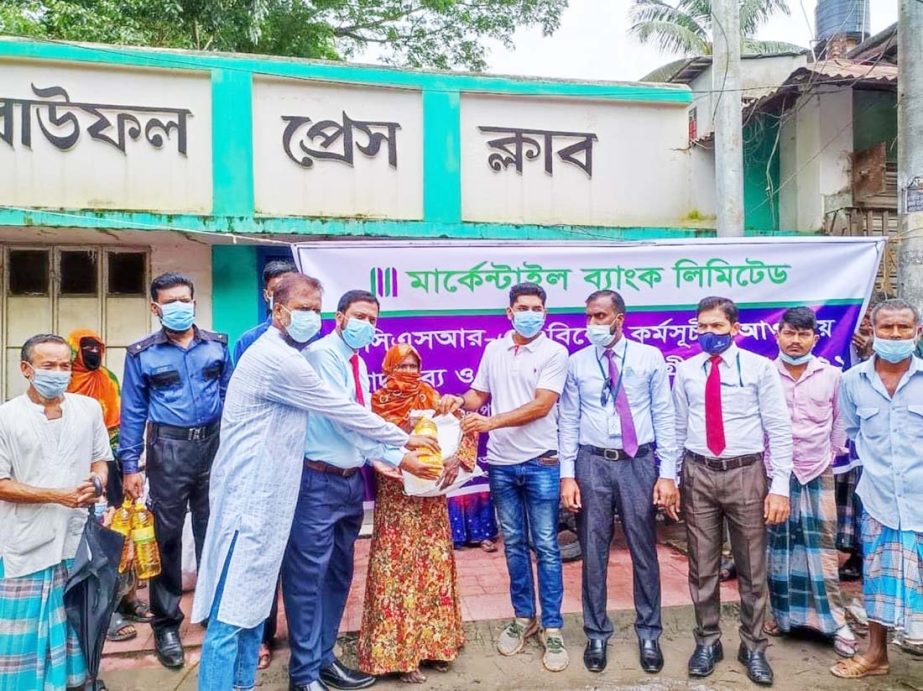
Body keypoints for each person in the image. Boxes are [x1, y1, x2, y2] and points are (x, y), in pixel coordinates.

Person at [193, 275, 439, 691]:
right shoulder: (279, 359)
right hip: (250, 499)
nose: (310, 316)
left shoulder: (304, 354)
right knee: (230, 617)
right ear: (278, 310)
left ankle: (249, 683)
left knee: (252, 611)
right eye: (303, 308)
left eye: (314, 309)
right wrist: (401, 443)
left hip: (274, 497)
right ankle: (292, 675)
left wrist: (389, 450)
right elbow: (339, 410)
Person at [283, 289, 442, 691]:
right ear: (339, 318)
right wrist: (400, 452)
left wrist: (392, 448)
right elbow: (345, 419)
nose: (366, 325)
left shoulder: (357, 362)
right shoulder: (321, 357)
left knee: (337, 575)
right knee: (308, 578)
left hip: (350, 481)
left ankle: (324, 659)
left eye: (373, 319)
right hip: (317, 481)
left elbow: (362, 421)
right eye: (359, 317)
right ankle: (303, 676)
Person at [438, 282, 570, 673]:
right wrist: (458, 402)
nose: (531, 313)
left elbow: (543, 404)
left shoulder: (554, 352)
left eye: (537, 308)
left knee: (545, 545)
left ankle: (554, 626)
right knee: (513, 543)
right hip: (501, 463)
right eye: (523, 307)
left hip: (541, 462)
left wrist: (490, 421)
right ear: (509, 313)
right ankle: (523, 618)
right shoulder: (494, 349)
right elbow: (479, 395)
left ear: (545, 312)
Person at [672, 296, 792, 687]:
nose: (708, 334)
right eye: (702, 327)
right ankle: (707, 641)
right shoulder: (687, 371)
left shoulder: (759, 369)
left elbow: (778, 428)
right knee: (702, 567)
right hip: (698, 473)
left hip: (746, 473)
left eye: (717, 327)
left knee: (752, 568)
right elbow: (676, 428)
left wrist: (779, 487)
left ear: (735, 329)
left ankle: (753, 646)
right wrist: (671, 479)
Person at [558, 289, 679, 674]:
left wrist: (668, 473)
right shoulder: (577, 363)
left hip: (637, 462)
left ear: (619, 319)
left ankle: (649, 632)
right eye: (588, 316)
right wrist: (567, 475)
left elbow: (664, 416)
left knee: (644, 549)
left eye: (599, 316)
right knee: (593, 552)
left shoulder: (649, 358)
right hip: (591, 463)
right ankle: (596, 633)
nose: (592, 324)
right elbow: (569, 420)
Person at [117, 272, 233, 669]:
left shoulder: (217, 345)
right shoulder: (141, 354)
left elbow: (229, 393)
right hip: (168, 449)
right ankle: (167, 623)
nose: (180, 307)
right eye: (170, 302)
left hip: (215, 446)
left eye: (185, 299)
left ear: (194, 302)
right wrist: (129, 466)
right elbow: (132, 412)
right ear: (156, 308)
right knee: (166, 536)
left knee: (213, 529)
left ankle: (214, 608)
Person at [0, 334, 111, 690]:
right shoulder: (6, 417)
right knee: (22, 630)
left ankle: (73, 682)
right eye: (49, 366)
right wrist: (56, 496)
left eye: (65, 365)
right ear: (26, 369)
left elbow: (101, 460)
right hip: (25, 539)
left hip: (75, 539)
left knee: (74, 620)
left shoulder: (88, 409)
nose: (59, 373)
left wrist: (95, 483)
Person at [357, 344, 470, 683]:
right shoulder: (376, 403)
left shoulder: (432, 396)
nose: (408, 372)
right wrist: (403, 442)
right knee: (398, 571)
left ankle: (436, 647)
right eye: (401, 366)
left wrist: (457, 459)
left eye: (413, 365)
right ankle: (401, 657)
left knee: (433, 565)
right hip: (397, 497)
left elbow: (462, 429)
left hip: (431, 497)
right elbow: (370, 444)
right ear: (389, 367)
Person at [831, 298, 923, 679]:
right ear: (873, 330)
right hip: (879, 498)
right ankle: (876, 656)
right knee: (878, 578)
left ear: (918, 333)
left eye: (904, 328)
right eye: (888, 328)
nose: (896, 335)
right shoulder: (853, 381)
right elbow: (852, 432)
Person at [764, 308, 856, 657]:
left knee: (820, 548)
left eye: (804, 334)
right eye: (789, 333)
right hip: (774, 473)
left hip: (817, 469)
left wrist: (829, 456)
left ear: (816, 337)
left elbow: (839, 421)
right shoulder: (765, 374)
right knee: (779, 546)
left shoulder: (832, 376)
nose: (796, 340)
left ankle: (833, 622)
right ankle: (784, 618)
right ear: (778, 335)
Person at [231, 259, 299, 670]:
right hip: (263, 464)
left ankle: (305, 640)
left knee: (299, 555)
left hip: (304, 462)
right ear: (269, 298)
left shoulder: (313, 344)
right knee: (259, 556)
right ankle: (260, 637)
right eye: (279, 293)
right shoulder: (251, 343)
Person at [66, 329, 153, 643]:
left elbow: (123, 419)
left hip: (113, 465)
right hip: (77, 473)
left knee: (123, 535)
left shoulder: (108, 378)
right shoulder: (65, 384)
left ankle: (127, 599)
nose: (93, 353)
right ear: (74, 351)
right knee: (93, 543)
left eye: (97, 347)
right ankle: (104, 609)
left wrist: (129, 464)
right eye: (86, 348)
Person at [233, 259, 299, 365]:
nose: (281, 295)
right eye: (276, 290)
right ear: (266, 295)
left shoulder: (310, 336)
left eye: (287, 289)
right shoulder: (248, 340)